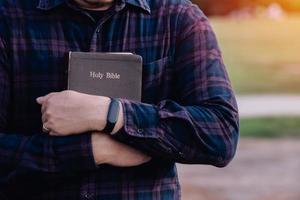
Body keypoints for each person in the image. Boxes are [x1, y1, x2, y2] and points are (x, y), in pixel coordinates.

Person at [0, 0, 239, 199]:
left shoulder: (178, 18)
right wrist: (90, 151)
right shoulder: (8, 18)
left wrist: (113, 114)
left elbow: (220, 132)